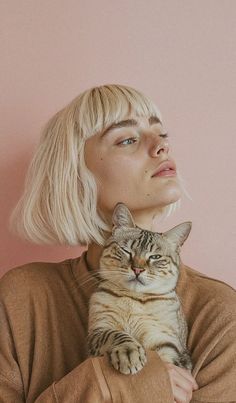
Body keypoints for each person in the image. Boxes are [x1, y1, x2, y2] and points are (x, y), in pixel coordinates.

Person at [1, 84, 235, 403]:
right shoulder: (22, 296)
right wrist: (106, 382)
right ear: (75, 175)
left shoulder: (218, 312)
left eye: (162, 134)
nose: (160, 147)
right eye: (128, 139)